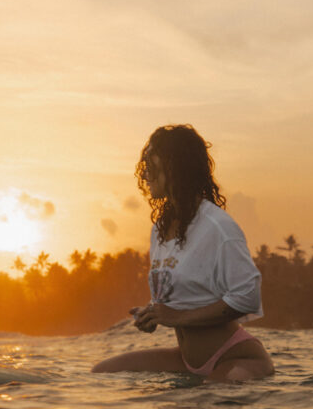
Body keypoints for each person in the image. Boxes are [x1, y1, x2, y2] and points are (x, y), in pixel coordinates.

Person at [92, 124, 274, 382]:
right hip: (187, 360)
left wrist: (175, 317)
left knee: (205, 397)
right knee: (101, 373)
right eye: (145, 169)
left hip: (236, 358)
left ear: (175, 168)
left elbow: (247, 296)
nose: (145, 177)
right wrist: (152, 314)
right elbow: (179, 298)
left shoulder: (218, 227)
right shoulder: (160, 230)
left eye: (151, 168)